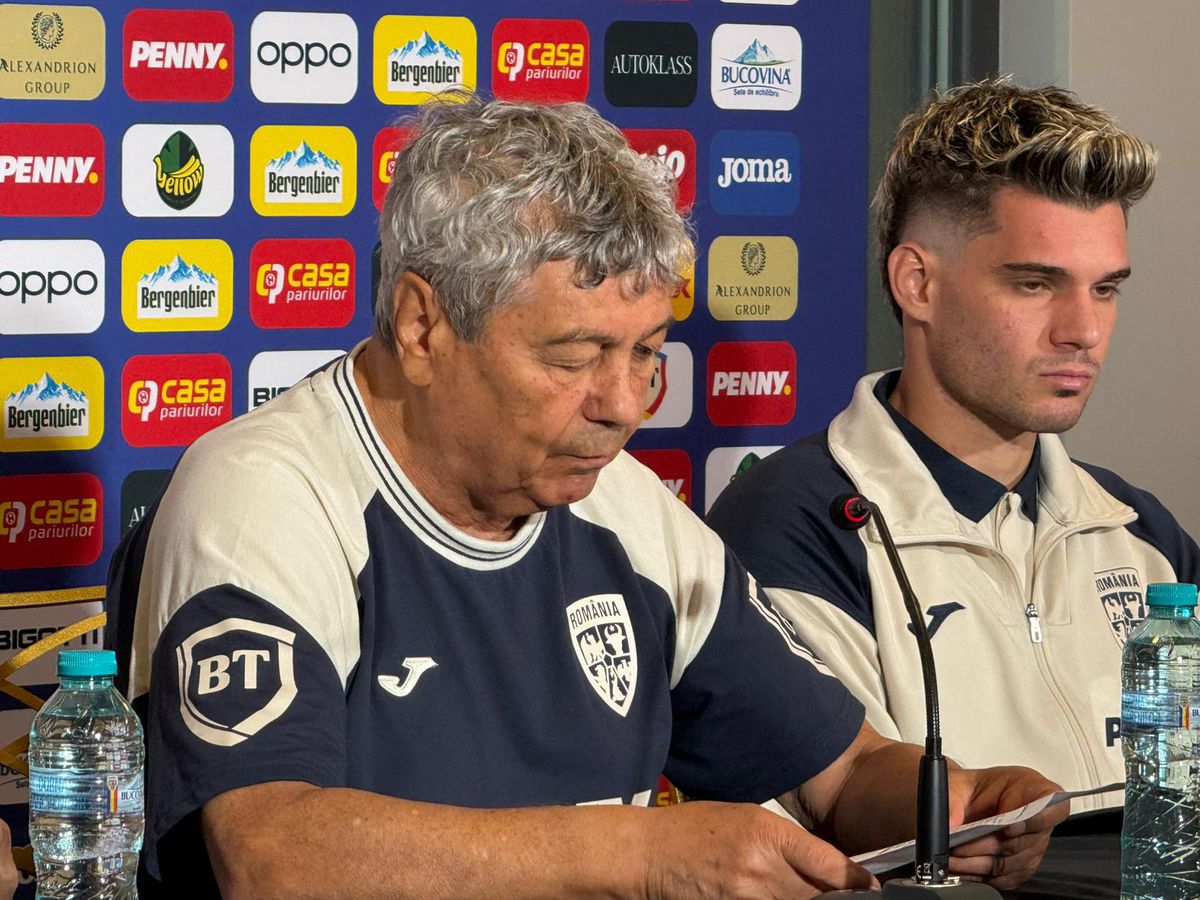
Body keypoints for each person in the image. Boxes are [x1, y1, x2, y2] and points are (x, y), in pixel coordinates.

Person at [108, 94, 1066, 897]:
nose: (622, 405)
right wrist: (640, 858)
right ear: (422, 324)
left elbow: (842, 772)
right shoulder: (266, 494)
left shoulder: (625, 509)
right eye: (574, 356)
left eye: (646, 353)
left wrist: (955, 804)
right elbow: (273, 856)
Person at [708, 78, 1200, 819]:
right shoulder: (793, 527)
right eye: (1035, 284)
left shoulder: (1142, 532)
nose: (1084, 331)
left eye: (1105, 289)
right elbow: (824, 831)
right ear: (917, 283)